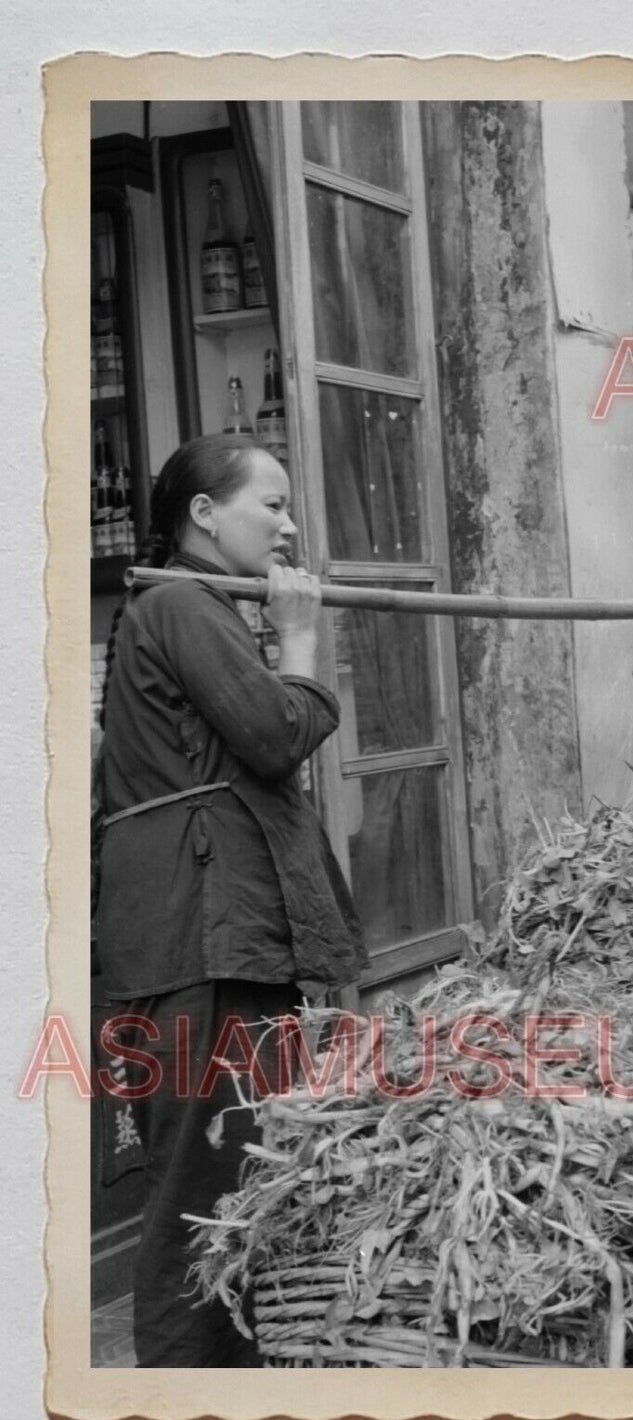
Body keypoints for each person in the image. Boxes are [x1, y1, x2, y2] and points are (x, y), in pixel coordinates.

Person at [93, 434, 368, 1365]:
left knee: (245, 1176)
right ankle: (181, 1419)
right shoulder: (179, 602)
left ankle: (240, 1405)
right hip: (199, 933)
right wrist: (299, 638)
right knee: (199, 1193)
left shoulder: (190, 605)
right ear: (204, 516)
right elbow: (273, 731)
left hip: (218, 932)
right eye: (272, 505)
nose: (290, 526)